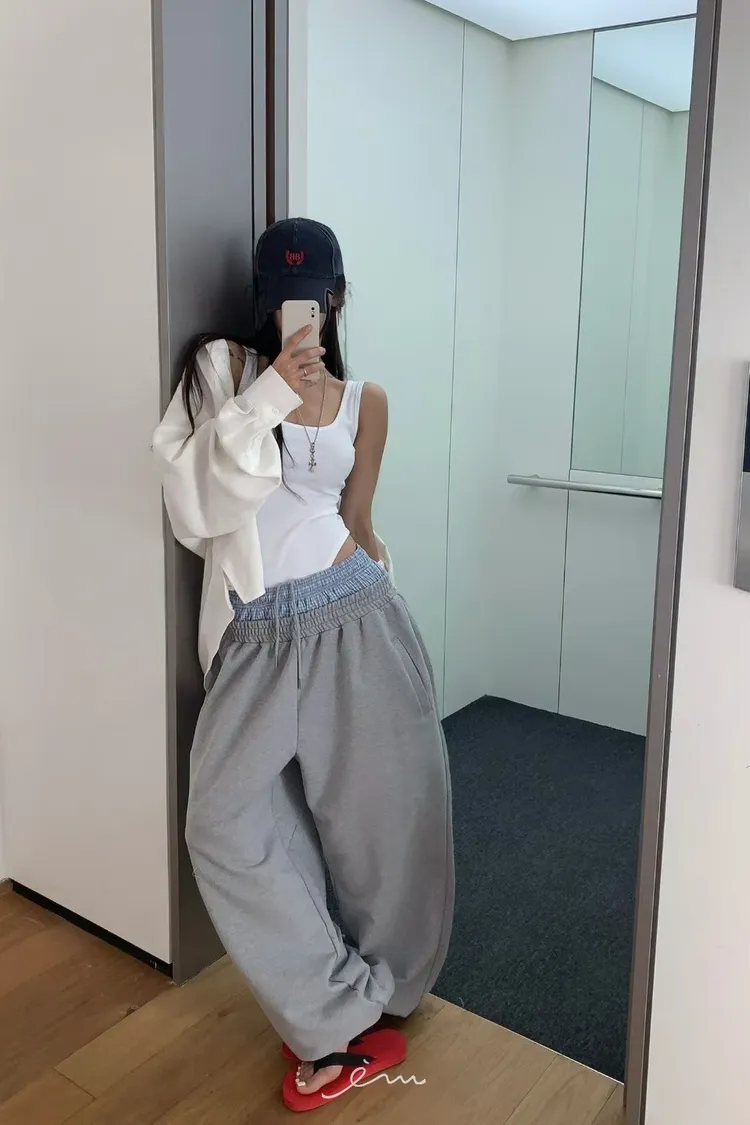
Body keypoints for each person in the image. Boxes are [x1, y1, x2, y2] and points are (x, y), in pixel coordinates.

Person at [152, 218, 454, 1111]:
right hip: (256, 636)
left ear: (336, 297)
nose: (300, 313)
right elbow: (196, 508)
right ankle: (332, 1004)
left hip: (355, 614)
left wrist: (393, 619)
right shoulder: (221, 370)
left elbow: (358, 521)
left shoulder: (368, 401)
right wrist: (270, 392)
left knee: (383, 821)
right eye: (283, 297)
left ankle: (385, 1000)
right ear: (262, 300)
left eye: (313, 297)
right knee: (222, 825)